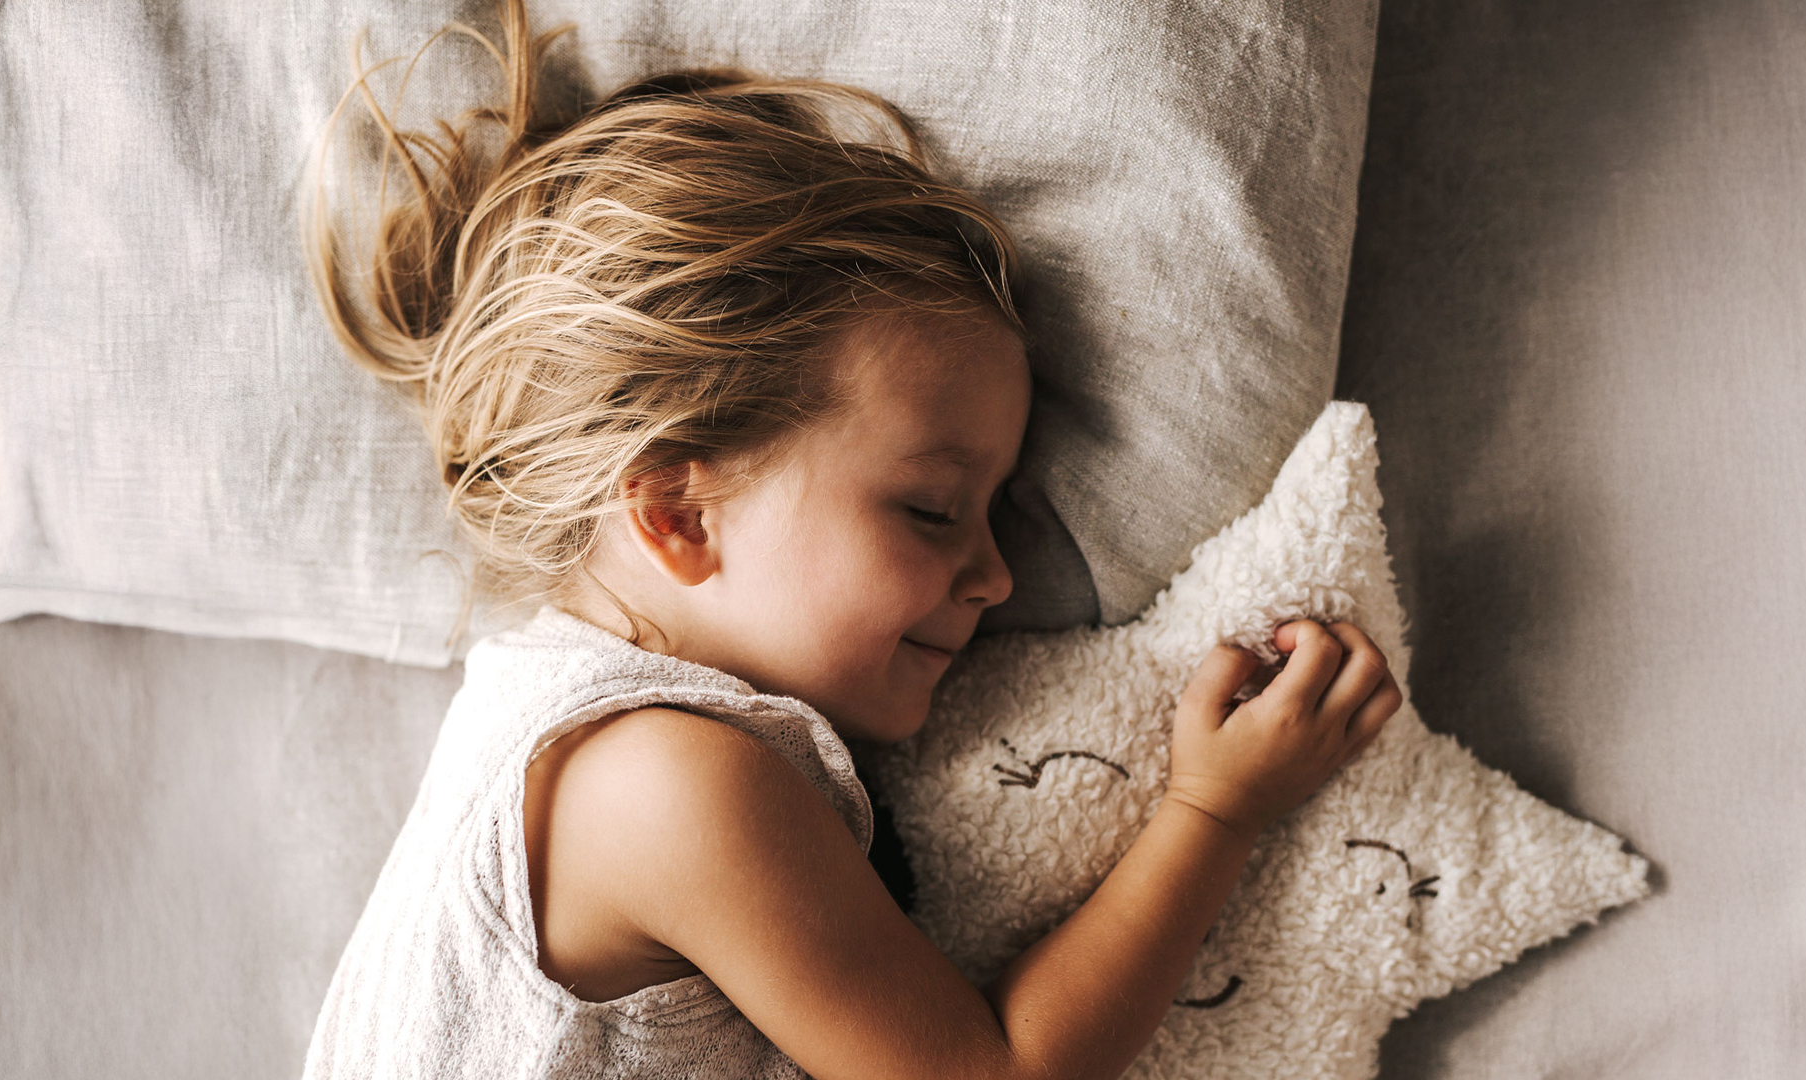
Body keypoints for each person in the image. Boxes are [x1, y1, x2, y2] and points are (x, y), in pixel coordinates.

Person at [300, 2, 1403, 1077]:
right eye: (931, 510)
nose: (996, 575)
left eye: (992, 511)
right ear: (679, 516)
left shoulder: (557, 732)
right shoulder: (666, 783)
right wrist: (1216, 809)